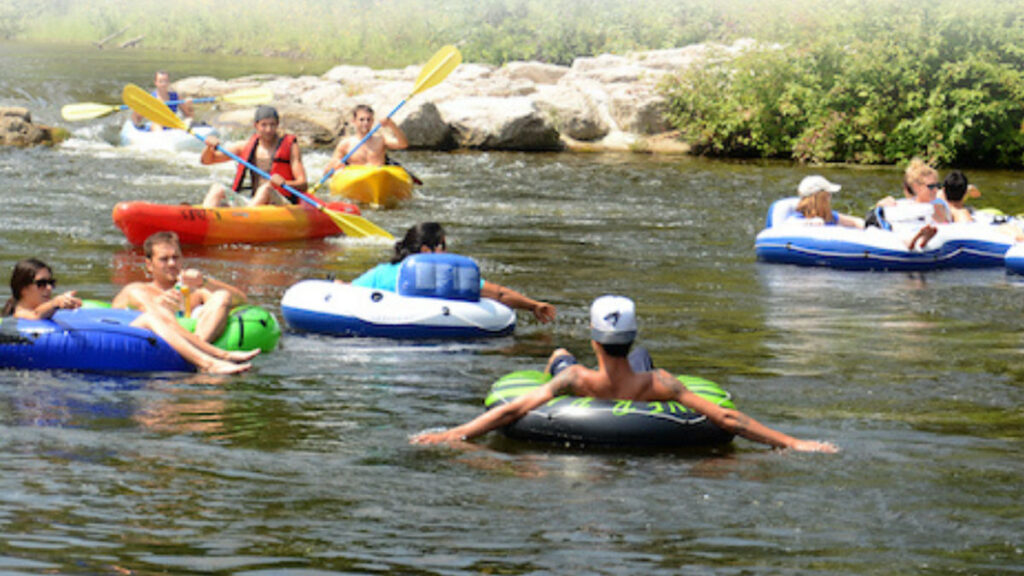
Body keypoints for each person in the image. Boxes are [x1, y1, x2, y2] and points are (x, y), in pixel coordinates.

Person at [413, 295, 838, 453]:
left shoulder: (575, 378)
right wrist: (794, 443)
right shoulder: (660, 383)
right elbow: (728, 419)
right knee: (644, 359)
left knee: (560, 352)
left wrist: (455, 434)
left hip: (589, 386)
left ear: (595, 340)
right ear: (630, 338)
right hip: (639, 390)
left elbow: (514, 409)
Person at [4, 258, 254, 374]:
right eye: (42, 283)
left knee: (154, 316)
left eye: (52, 283)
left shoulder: (39, 305)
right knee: (153, 319)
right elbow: (33, 318)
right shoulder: (19, 315)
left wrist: (62, 305)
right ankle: (210, 362)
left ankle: (219, 355)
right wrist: (56, 303)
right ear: (23, 287)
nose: (49, 288)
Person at [340, 222, 556, 324]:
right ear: (427, 250)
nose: (447, 250)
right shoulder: (450, 275)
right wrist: (534, 305)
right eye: (442, 245)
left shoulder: (382, 273)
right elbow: (499, 294)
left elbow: (351, 292)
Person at [112, 231, 247, 343]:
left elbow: (241, 300)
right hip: (149, 345)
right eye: (164, 259)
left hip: (197, 341)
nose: (172, 263)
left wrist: (204, 281)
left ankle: (198, 346)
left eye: (176, 257)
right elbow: (109, 320)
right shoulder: (137, 290)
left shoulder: (196, 289)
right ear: (149, 265)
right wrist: (157, 306)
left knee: (222, 295)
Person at [200, 106, 308, 207]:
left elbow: (303, 184)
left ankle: (244, 218)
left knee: (266, 188)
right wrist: (209, 147)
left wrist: (285, 184)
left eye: (272, 125)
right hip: (254, 203)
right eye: (264, 125)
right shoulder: (245, 146)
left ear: (277, 125)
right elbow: (207, 160)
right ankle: (202, 219)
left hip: (281, 203)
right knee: (217, 189)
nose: (268, 129)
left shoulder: (290, 147)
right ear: (256, 126)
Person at [875, 158, 951, 249]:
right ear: (916, 187)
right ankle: (915, 240)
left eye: (937, 185)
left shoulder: (939, 204)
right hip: (909, 230)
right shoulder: (906, 205)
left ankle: (921, 238)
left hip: (931, 229)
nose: (935, 190)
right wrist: (881, 204)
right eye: (931, 186)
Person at [325, 104, 409, 170]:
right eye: (361, 119)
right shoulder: (345, 144)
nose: (366, 123)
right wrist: (336, 165)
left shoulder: (381, 139)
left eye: (369, 119)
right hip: (356, 179)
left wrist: (392, 125)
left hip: (378, 176)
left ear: (372, 121)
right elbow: (328, 169)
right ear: (354, 121)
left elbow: (403, 144)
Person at [792, 175, 864, 228]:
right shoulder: (798, 217)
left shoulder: (830, 216)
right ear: (819, 198)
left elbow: (855, 222)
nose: (830, 198)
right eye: (828, 195)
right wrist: (811, 223)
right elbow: (791, 225)